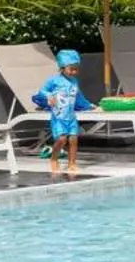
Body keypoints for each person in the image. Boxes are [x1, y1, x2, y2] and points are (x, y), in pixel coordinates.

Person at [30, 48, 94, 178]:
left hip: (71, 117)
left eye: (76, 69)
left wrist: (88, 105)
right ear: (62, 67)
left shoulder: (74, 82)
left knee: (74, 140)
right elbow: (42, 91)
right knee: (61, 139)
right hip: (58, 117)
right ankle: (54, 159)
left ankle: (72, 163)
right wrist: (49, 96)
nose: (74, 72)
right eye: (71, 69)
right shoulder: (53, 80)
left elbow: (79, 96)